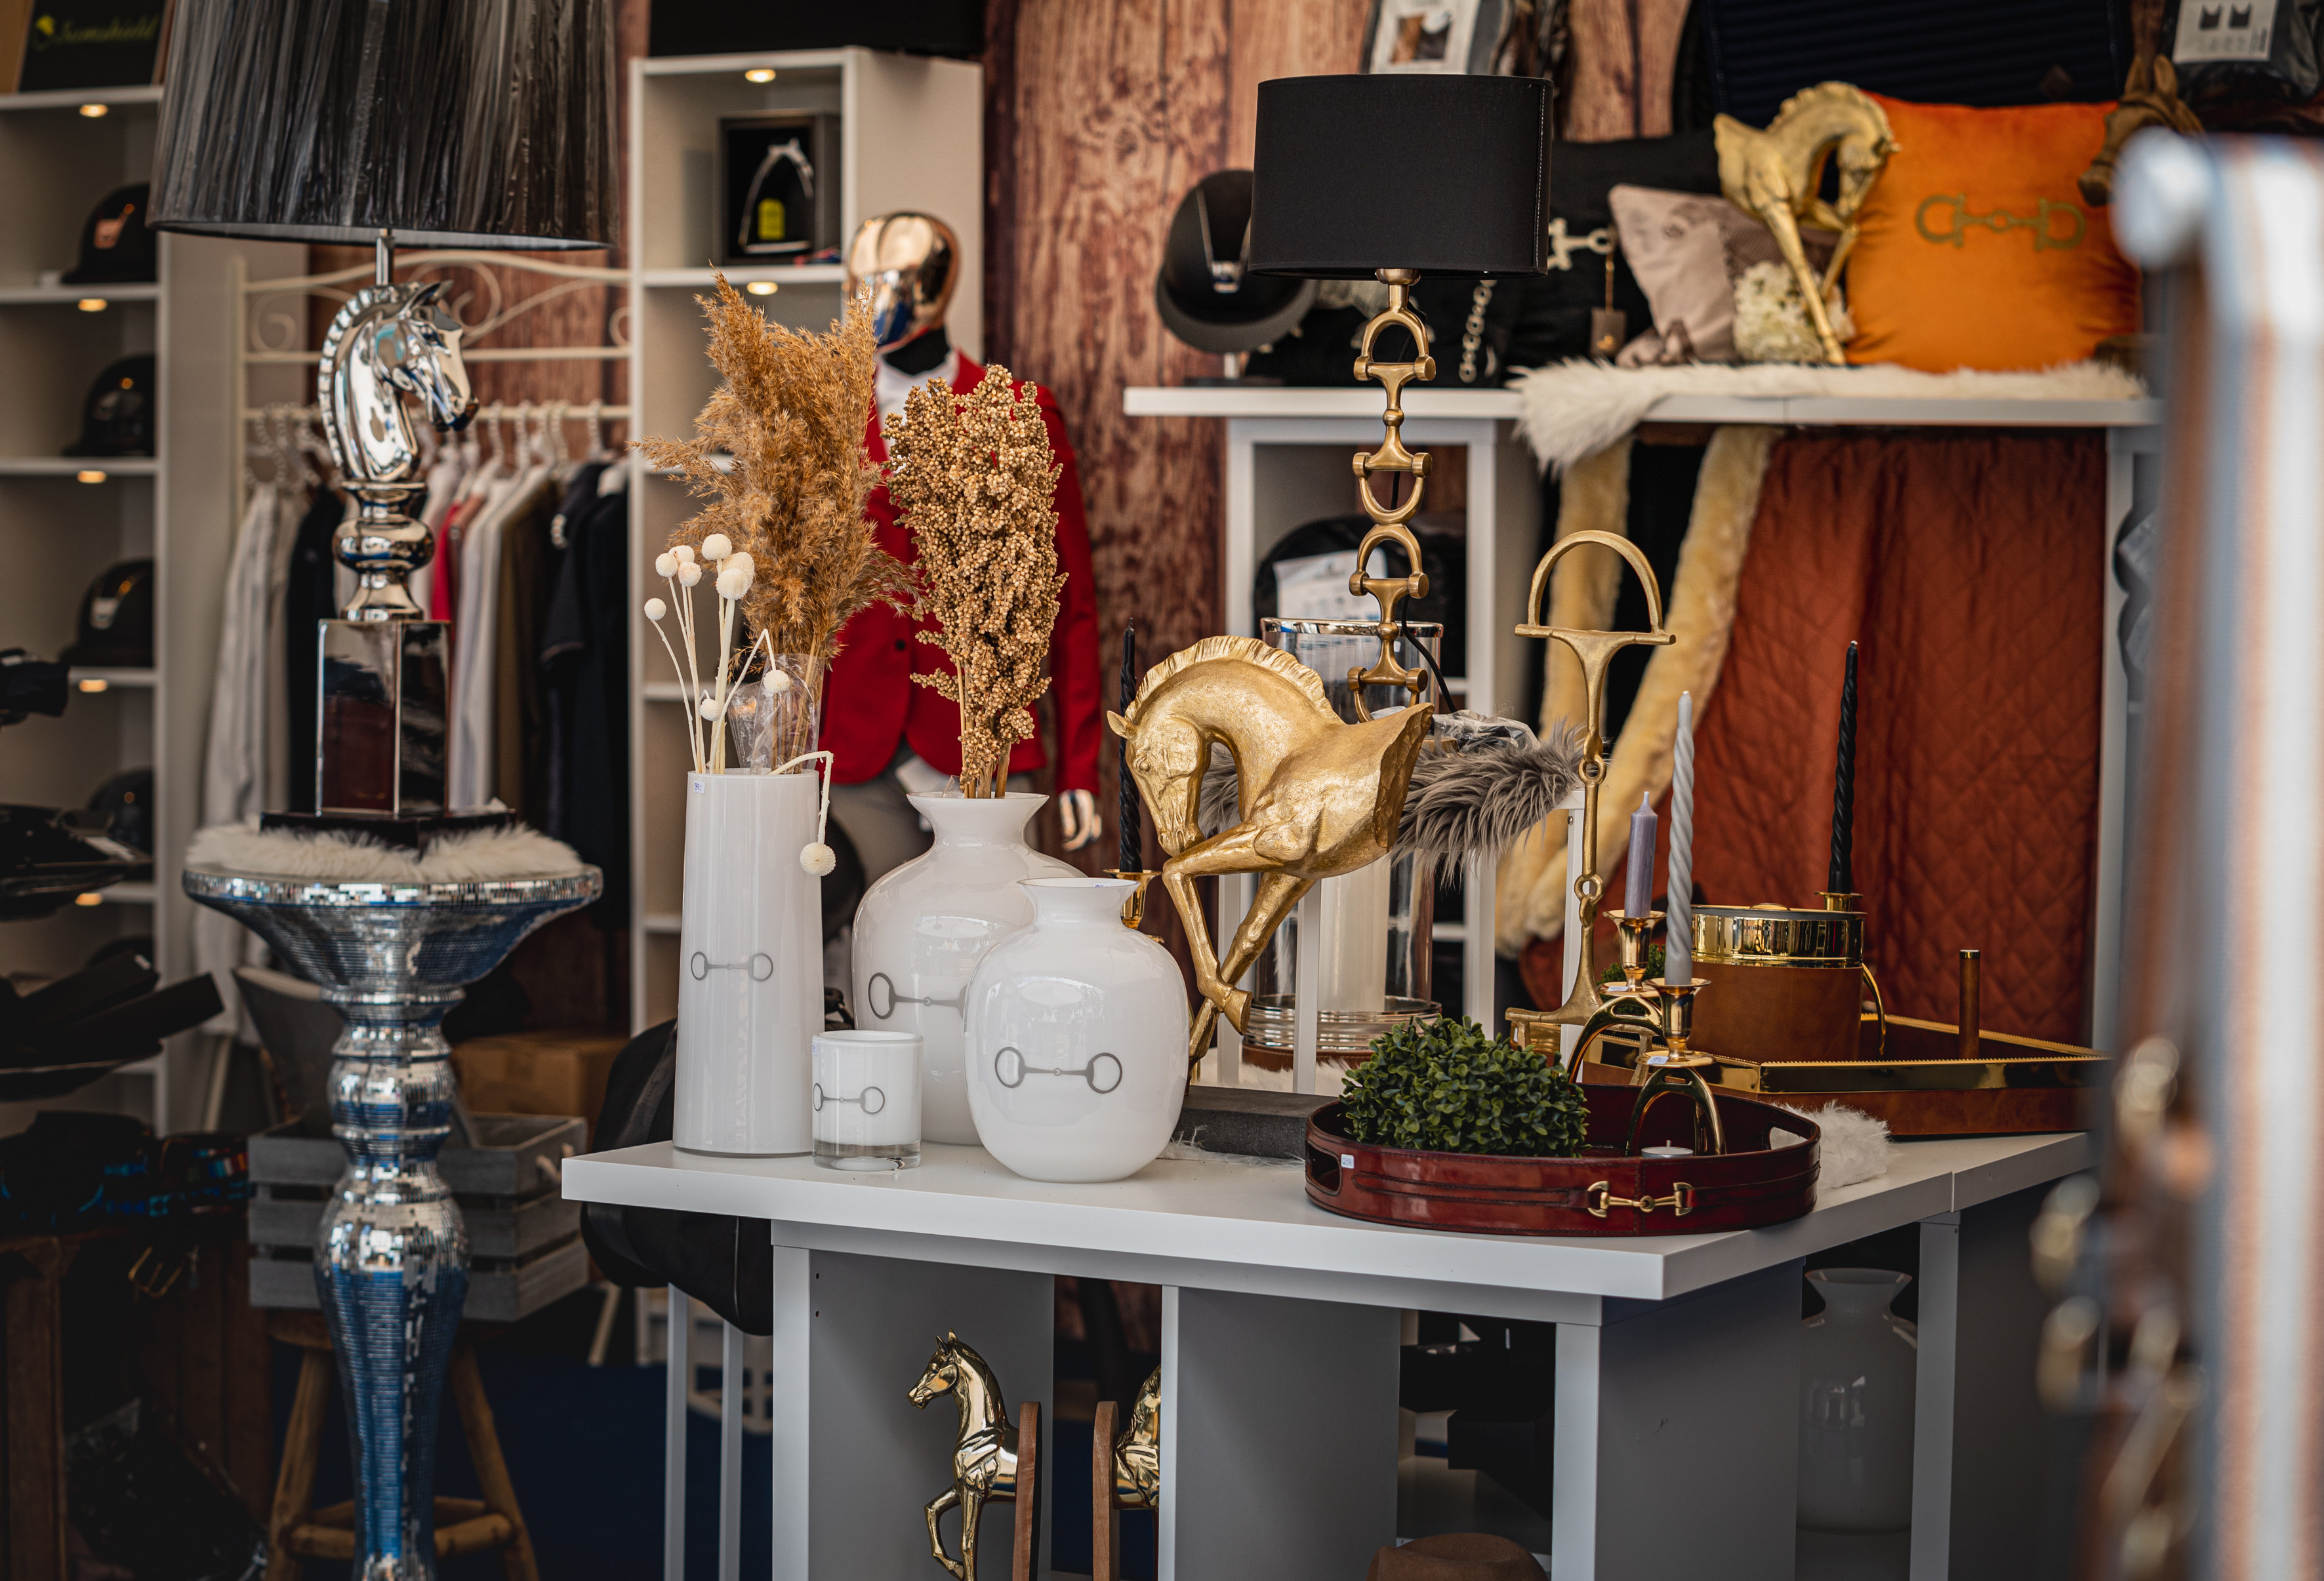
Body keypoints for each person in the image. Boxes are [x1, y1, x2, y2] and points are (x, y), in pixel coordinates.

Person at [821, 212, 1103, 883]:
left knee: (993, 928)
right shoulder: (829, 415)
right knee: (869, 934)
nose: (873, 300)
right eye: (861, 283)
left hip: (985, 740)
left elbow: (1069, 601)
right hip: (856, 746)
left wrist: (1080, 767)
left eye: (891, 283)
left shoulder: (1019, 413)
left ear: (935, 290)